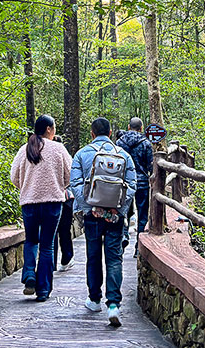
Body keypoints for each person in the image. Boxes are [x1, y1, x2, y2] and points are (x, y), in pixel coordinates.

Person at [70, 117, 136, 326]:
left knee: (93, 255)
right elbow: (132, 185)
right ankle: (114, 304)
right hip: (115, 215)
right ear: (110, 133)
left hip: (92, 215)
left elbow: (75, 184)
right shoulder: (123, 155)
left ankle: (94, 299)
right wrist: (118, 207)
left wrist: (90, 206)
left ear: (92, 133)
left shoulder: (81, 154)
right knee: (114, 258)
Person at [10, 115, 72, 302]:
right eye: (54, 128)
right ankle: (43, 290)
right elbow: (70, 175)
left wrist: (27, 187)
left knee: (31, 240)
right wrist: (59, 186)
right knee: (47, 246)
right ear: (48, 129)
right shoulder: (58, 149)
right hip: (52, 203)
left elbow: (14, 177)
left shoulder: (24, 149)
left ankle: (29, 274)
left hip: (29, 203)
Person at [115, 117, 153, 256]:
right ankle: (139, 247)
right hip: (141, 183)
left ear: (128, 127)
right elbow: (150, 166)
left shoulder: (119, 143)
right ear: (141, 128)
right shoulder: (146, 143)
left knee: (121, 211)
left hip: (123, 183)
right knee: (142, 215)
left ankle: (123, 236)